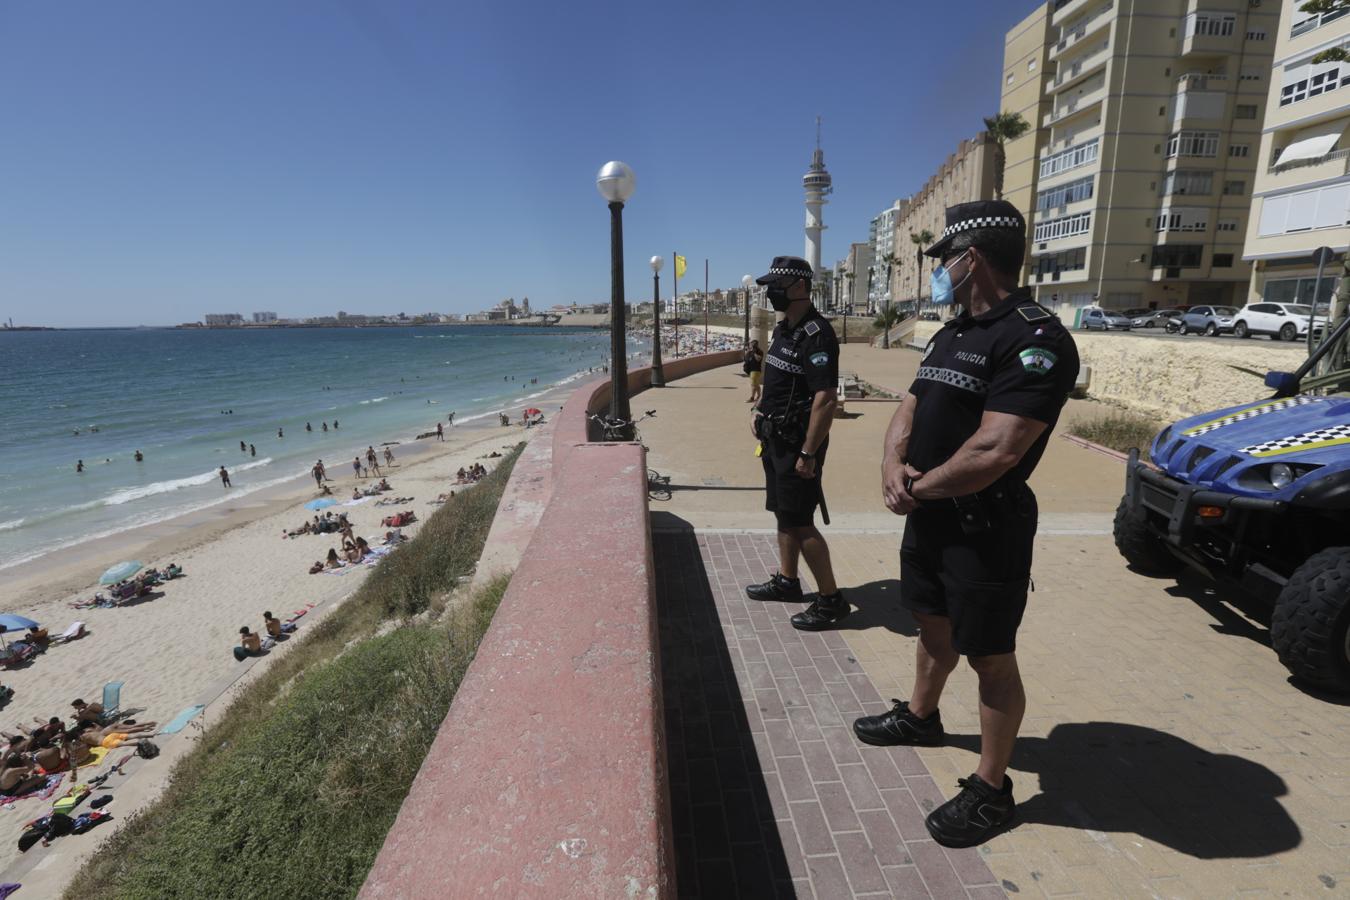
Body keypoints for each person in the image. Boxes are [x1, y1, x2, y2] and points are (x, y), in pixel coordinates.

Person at [852, 200, 1080, 849]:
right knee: (931, 622)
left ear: (971, 257)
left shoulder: (1036, 339)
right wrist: (893, 458)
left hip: (986, 528)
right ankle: (922, 717)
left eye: (944, 259)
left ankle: (992, 788)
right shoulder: (952, 332)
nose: (939, 271)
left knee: (989, 657)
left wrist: (916, 487)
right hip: (930, 518)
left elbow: (997, 449)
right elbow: (912, 402)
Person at [745, 256, 847, 631]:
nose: (771, 292)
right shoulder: (784, 329)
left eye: (777, 285)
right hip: (774, 439)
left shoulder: (816, 334)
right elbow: (778, 383)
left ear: (800, 287)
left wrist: (808, 452)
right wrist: (758, 410)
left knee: (802, 522)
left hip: (798, 444)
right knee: (784, 514)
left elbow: (825, 398)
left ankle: (831, 599)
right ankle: (788, 582)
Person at [743, 339, 765, 404]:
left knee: (753, 385)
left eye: (753, 344)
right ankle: (759, 397)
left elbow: (758, 359)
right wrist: (747, 351)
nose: (751, 345)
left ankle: (752, 398)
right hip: (751, 370)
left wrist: (754, 352)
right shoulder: (750, 351)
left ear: (756, 345)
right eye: (751, 344)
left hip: (756, 370)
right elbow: (745, 359)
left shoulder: (759, 351)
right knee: (756, 385)